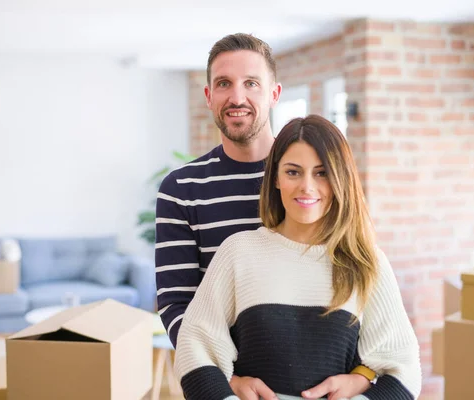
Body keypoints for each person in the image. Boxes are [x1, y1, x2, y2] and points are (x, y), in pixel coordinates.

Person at [155, 33, 378, 399]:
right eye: (223, 84)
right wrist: (222, 379)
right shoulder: (181, 187)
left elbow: (363, 278)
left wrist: (364, 374)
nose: (237, 97)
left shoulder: (316, 178)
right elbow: (177, 303)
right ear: (209, 96)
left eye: (251, 83)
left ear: (274, 93)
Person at [173, 115, 422, 400]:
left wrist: (361, 383)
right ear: (276, 178)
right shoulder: (239, 252)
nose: (307, 186)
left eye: (322, 173)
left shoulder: (367, 263)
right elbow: (194, 348)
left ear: (340, 179)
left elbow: (404, 372)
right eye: (293, 172)